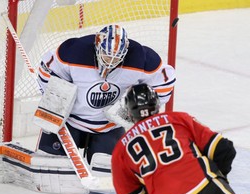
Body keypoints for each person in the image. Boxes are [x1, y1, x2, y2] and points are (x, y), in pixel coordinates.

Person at [36, 24, 176, 175]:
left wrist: (139, 106)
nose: (110, 63)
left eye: (116, 58)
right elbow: (46, 71)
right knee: (50, 167)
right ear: (97, 44)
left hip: (108, 127)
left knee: (110, 174)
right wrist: (56, 101)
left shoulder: (141, 58)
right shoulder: (75, 51)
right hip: (69, 122)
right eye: (107, 56)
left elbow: (165, 81)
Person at [111, 83, 250, 194]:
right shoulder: (178, 119)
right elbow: (224, 150)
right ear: (157, 104)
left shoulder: (120, 149)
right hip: (207, 189)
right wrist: (217, 177)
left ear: (129, 113)